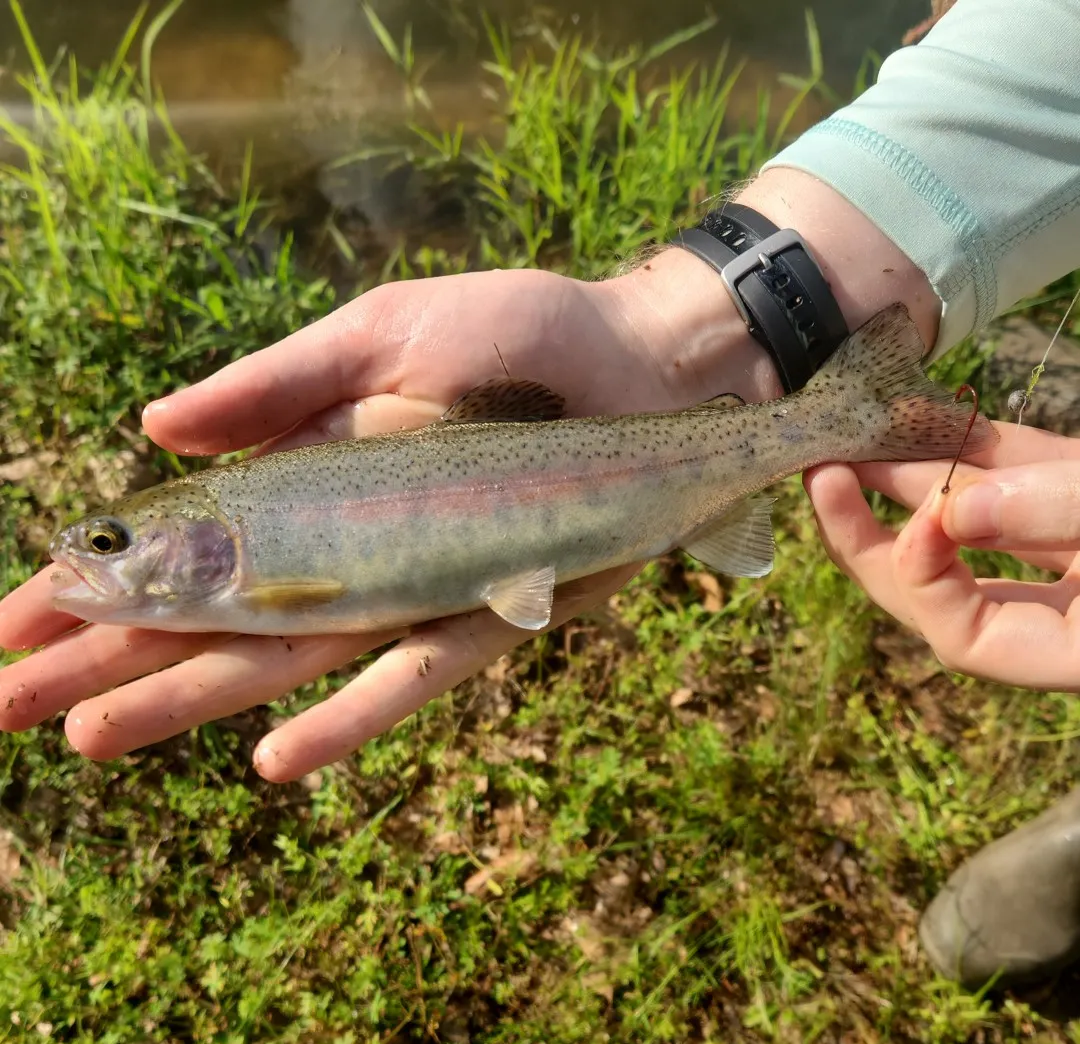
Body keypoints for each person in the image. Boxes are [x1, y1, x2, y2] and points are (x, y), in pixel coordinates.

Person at [1, 0, 1079, 987]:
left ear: (196, 535)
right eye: (103, 541)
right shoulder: (236, 550)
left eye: (111, 539)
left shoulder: (254, 549)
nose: (88, 555)